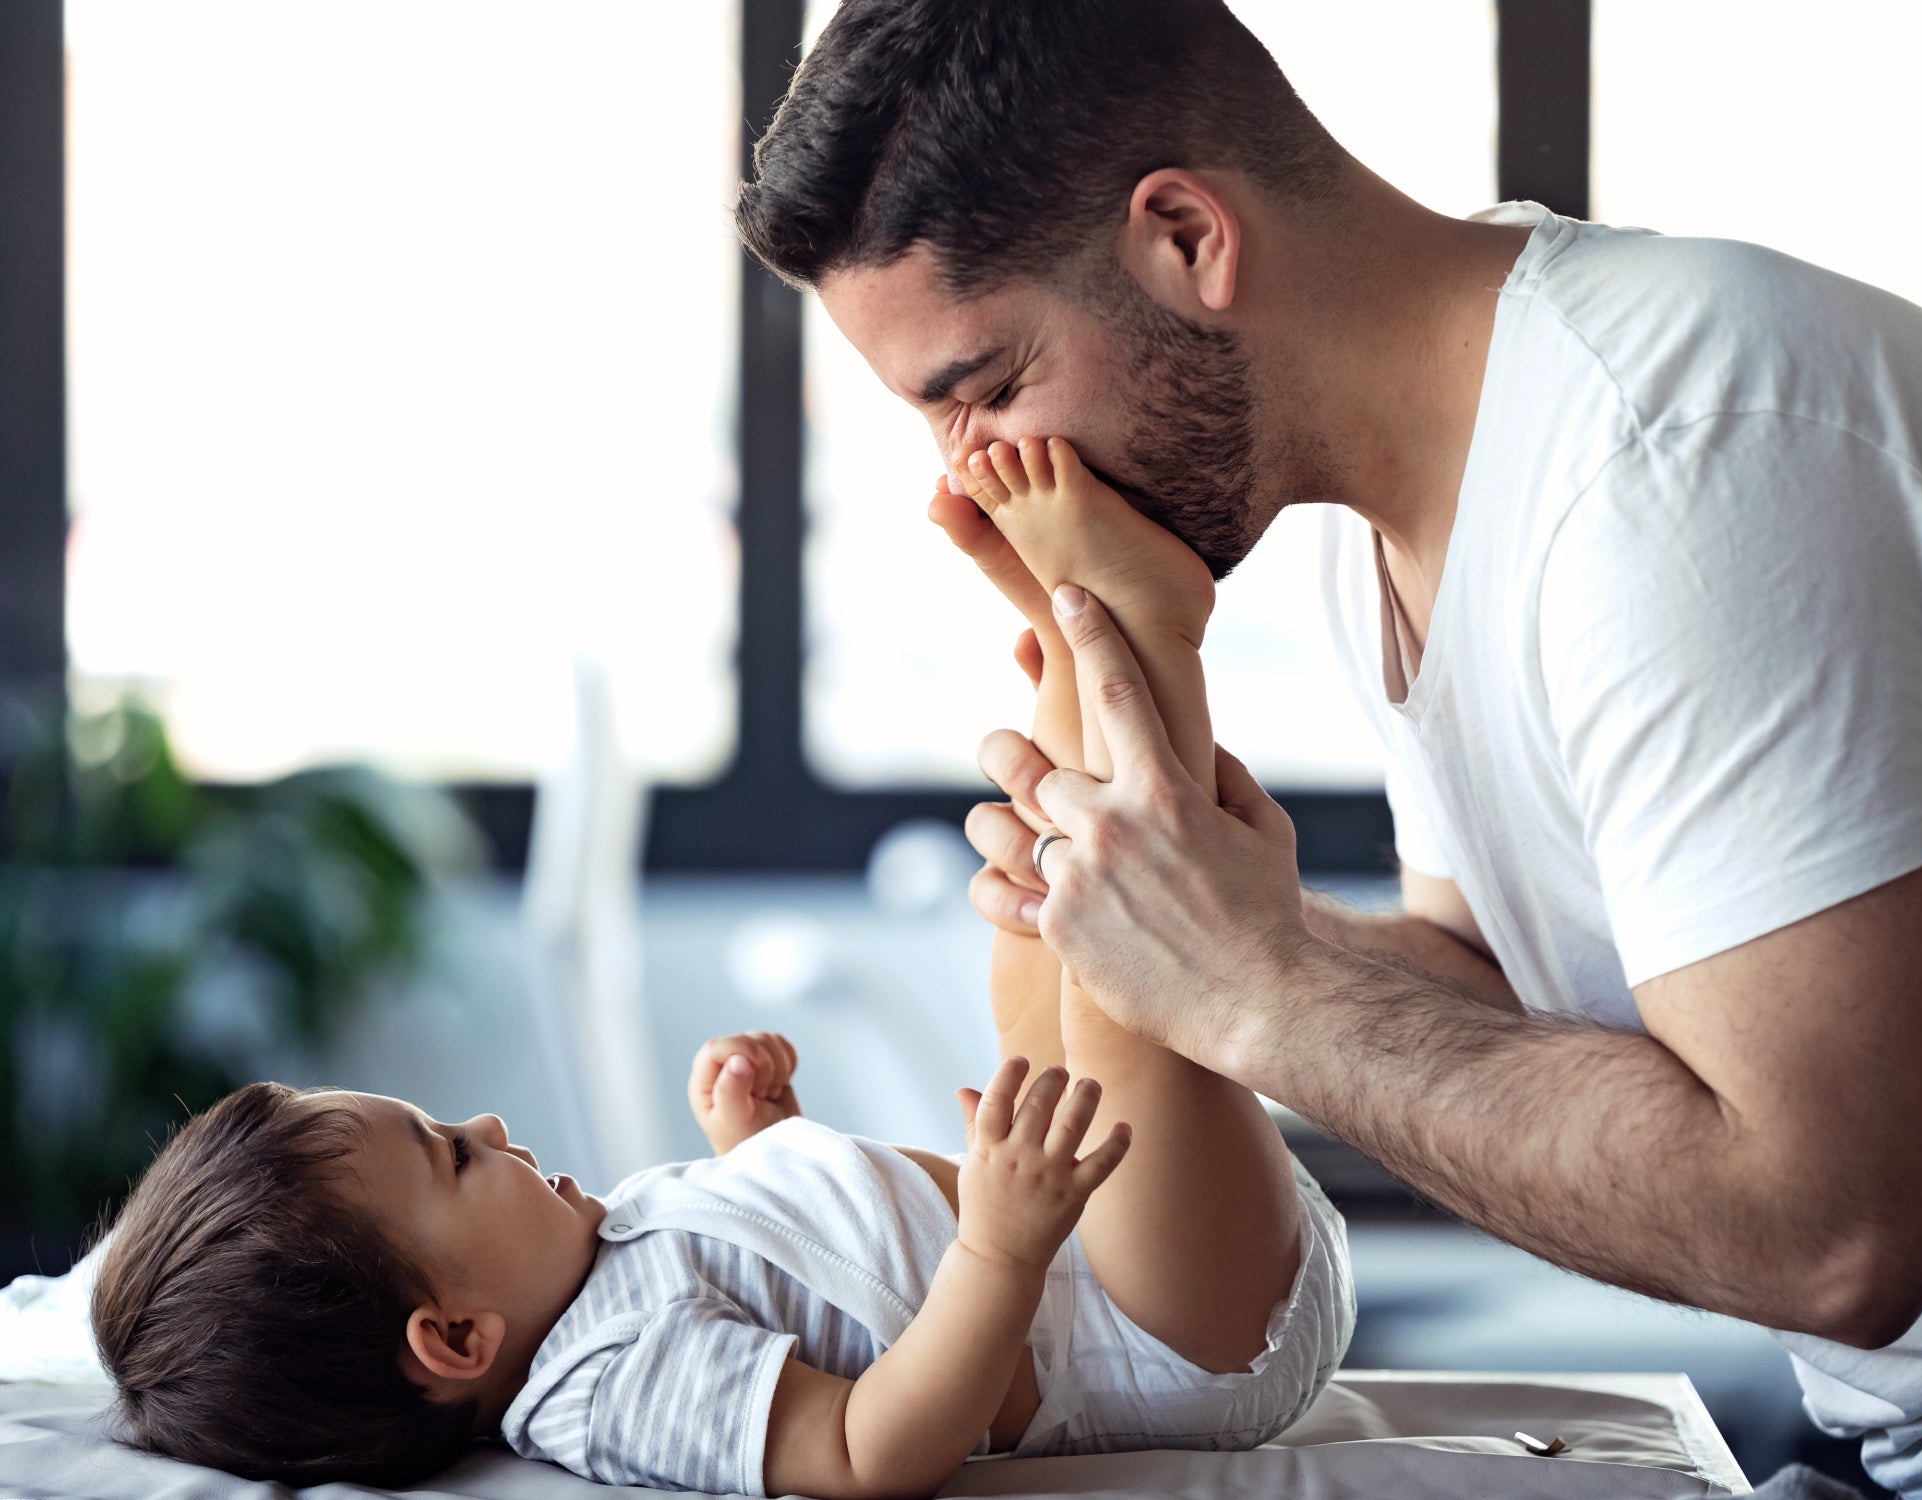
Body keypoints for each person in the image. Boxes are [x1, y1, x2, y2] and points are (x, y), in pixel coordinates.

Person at [733, 2, 1922, 1497]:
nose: (974, 486)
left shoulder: (1671, 451)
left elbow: (1837, 1231)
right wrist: (1203, 923)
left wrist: (1250, 982)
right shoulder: (1380, 519)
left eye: (991, 389)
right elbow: (1508, 1001)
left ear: (1188, 237)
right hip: (1906, 1435)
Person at [86, 473, 1351, 1493]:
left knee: (1044, 942)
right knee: (1121, 981)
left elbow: (811, 1284)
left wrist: (762, 1147)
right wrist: (997, 1246)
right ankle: (1141, 632)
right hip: (1168, 1340)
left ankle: (1084, 648)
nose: (484, 1126)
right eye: (452, 1158)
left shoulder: (596, 1257)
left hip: (1114, 1251)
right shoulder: (605, 1383)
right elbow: (864, 1449)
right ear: (455, 1339)